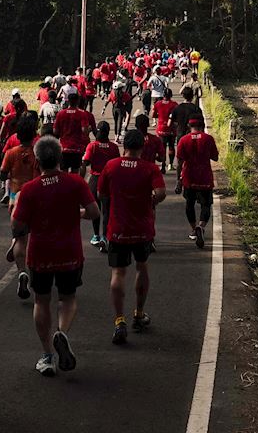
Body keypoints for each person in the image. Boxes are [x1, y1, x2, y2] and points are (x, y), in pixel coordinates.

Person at [10, 136, 99, 377]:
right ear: (60, 158)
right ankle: (62, 332)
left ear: (37, 161)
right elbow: (94, 212)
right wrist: (77, 213)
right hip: (69, 252)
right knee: (67, 299)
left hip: (40, 253)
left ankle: (47, 354)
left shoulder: (29, 190)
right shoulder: (75, 182)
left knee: (41, 301)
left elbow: (17, 226)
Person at [98, 128, 166, 344]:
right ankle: (138, 313)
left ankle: (119, 320)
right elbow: (161, 193)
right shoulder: (150, 168)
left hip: (118, 228)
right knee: (142, 267)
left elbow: (102, 194)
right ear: (142, 147)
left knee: (118, 273)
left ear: (123, 146)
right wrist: (151, 202)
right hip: (142, 229)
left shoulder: (111, 166)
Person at [1, 121, 41, 296]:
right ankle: (38, 270)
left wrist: (12, 173)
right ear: (33, 135)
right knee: (37, 237)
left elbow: (2, 174)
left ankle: (22, 271)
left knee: (20, 237)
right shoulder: (38, 154)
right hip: (35, 197)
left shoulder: (11, 153)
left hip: (15, 197)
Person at [176, 113, 220, 249]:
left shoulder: (183, 140)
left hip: (189, 177)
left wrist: (179, 179)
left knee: (189, 205)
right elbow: (215, 157)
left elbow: (179, 161)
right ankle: (201, 226)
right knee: (206, 204)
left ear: (189, 126)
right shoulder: (208, 139)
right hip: (205, 176)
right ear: (202, 125)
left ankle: (193, 228)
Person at [84, 121, 120, 249]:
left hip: (95, 179)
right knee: (107, 210)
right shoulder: (114, 147)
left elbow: (87, 162)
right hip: (109, 180)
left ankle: (96, 235)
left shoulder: (92, 146)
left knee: (95, 209)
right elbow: (117, 164)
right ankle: (105, 236)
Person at [55, 93, 93, 174]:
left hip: (64, 148)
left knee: (64, 173)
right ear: (78, 101)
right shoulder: (82, 114)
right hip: (77, 149)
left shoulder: (61, 113)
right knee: (75, 173)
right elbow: (84, 131)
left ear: (68, 101)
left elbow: (55, 131)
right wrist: (89, 129)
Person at [153, 88, 179, 169]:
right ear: (170, 95)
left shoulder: (157, 104)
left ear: (163, 95)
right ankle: (170, 164)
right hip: (171, 129)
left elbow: (153, 115)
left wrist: (160, 116)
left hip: (161, 129)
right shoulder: (174, 104)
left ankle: (163, 165)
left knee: (162, 147)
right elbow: (176, 117)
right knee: (171, 146)